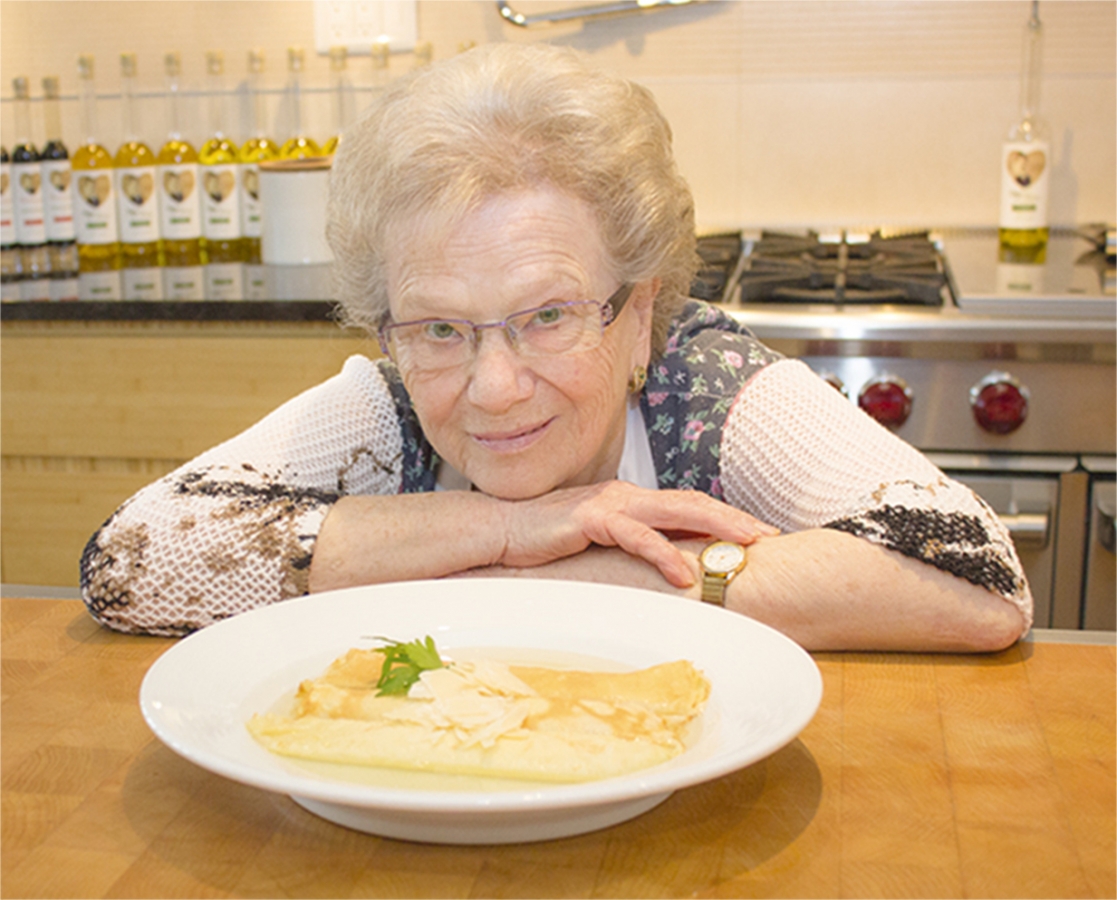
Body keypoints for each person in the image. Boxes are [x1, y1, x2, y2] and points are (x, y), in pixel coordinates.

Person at [80, 43, 1031, 651]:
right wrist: (501, 529)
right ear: (391, 326)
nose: (492, 387)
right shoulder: (388, 402)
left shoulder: (705, 387)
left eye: (547, 315)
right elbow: (127, 559)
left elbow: (975, 581)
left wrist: (575, 560)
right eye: (440, 328)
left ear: (639, 312)